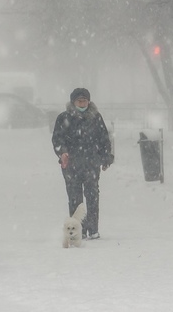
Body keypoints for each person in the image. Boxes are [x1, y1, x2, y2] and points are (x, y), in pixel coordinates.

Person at [52, 87, 114, 240]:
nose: (82, 102)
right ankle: (78, 230)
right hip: (71, 165)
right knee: (75, 198)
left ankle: (93, 229)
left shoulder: (96, 118)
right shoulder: (63, 118)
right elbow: (57, 139)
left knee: (92, 196)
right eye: (79, 100)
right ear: (73, 102)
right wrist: (63, 152)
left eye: (84, 100)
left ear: (89, 101)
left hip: (91, 164)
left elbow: (104, 140)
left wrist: (105, 157)